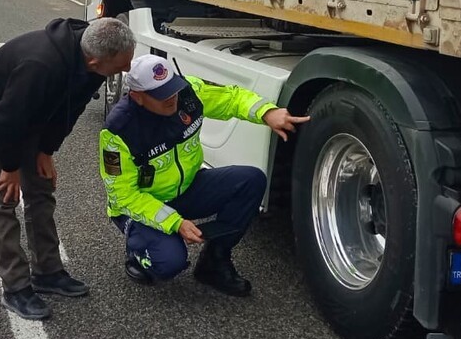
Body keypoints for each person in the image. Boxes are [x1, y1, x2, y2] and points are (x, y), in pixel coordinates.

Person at [0, 17, 135, 320]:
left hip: (29, 115)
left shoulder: (93, 60)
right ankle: (15, 287)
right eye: (122, 66)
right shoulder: (41, 66)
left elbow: (70, 108)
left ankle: (47, 271)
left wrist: (46, 150)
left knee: (41, 190)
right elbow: (7, 119)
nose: (127, 70)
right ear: (96, 60)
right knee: (5, 201)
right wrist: (10, 167)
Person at [98, 55, 308, 296]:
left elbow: (231, 98)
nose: (172, 100)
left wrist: (266, 112)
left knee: (250, 181)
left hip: (186, 187)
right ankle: (138, 252)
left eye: (172, 90)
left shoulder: (187, 92)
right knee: (169, 262)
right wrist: (175, 222)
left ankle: (215, 261)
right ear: (137, 97)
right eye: (161, 95)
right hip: (144, 205)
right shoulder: (117, 133)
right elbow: (123, 197)